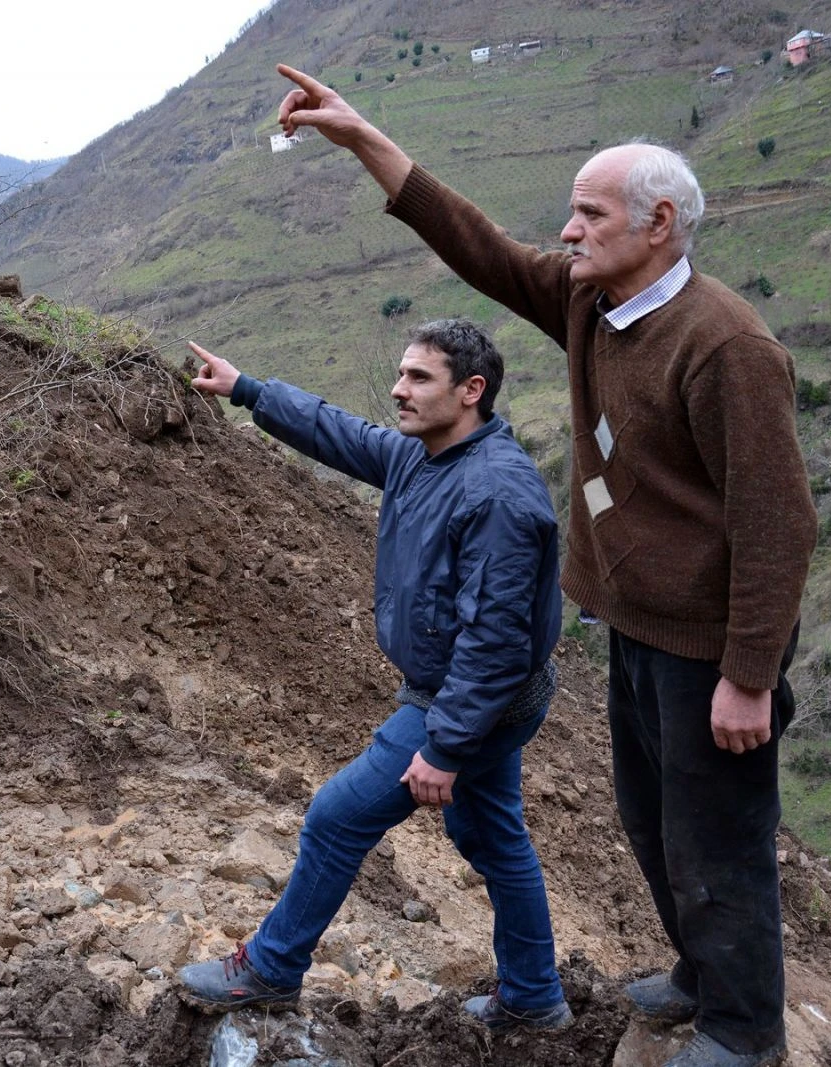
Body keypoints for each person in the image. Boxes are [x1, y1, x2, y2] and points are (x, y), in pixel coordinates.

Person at [270, 64, 815, 1067]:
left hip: (711, 649)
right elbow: (475, 245)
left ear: (658, 224)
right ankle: (701, 973)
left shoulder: (725, 344)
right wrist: (361, 139)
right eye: (569, 213)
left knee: (718, 835)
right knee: (653, 823)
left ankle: (745, 1027)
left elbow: (777, 523)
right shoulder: (585, 304)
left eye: (588, 213)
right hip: (638, 629)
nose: (567, 231)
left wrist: (748, 672)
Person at [178, 319, 573, 1033]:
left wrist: (446, 746)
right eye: (401, 373)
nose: (399, 389)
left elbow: (495, 642)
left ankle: (272, 967)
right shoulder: (423, 455)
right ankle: (534, 994)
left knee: (336, 817)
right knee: (492, 836)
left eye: (419, 377)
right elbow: (340, 433)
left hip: (473, 698)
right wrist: (250, 391)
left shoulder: (498, 495)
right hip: (458, 690)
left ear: (472, 390)